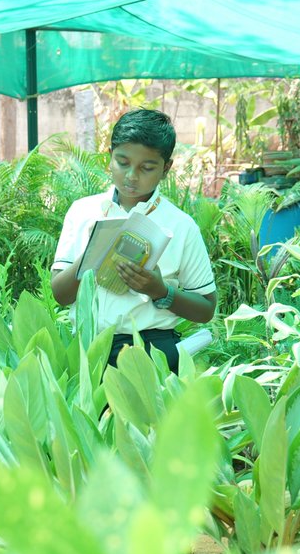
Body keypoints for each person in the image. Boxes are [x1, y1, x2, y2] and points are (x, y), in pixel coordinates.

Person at [50, 108, 216, 373]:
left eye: (146, 168)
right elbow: (60, 294)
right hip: (89, 350)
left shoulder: (181, 226)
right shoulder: (83, 212)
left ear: (166, 168)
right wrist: (93, 254)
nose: (131, 176)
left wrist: (160, 291)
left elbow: (206, 309)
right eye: (122, 162)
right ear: (110, 156)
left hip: (153, 350)